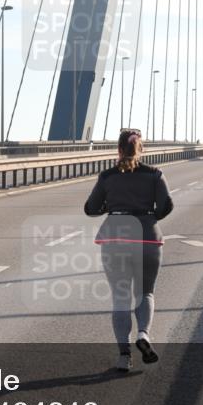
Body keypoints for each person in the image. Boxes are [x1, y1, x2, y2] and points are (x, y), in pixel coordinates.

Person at [84, 128, 174, 372]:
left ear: (119, 149)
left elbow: (91, 208)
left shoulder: (107, 177)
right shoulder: (155, 175)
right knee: (146, 293)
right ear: (141, 148)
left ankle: (124, 356)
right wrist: (149, 218)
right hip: (147, 238)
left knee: (120, 297)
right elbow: (166, 205)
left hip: (115, 237)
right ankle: (143, 334)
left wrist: (110, 207)